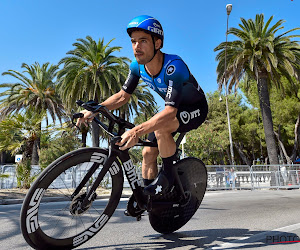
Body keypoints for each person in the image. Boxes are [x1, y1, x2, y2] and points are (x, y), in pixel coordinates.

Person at [77, 15, 208, 196]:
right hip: (172, 110)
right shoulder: (137, 67)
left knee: (162, 129)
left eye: (143, 41)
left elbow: (170, 113)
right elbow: (122, 96)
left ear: (157, 44)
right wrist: (96, 109)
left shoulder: (174, 66)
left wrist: (136, 131)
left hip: (195, 109)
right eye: (133, 42)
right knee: (147, 153)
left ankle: (167, 179)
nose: (136, 47)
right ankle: (149, 197)